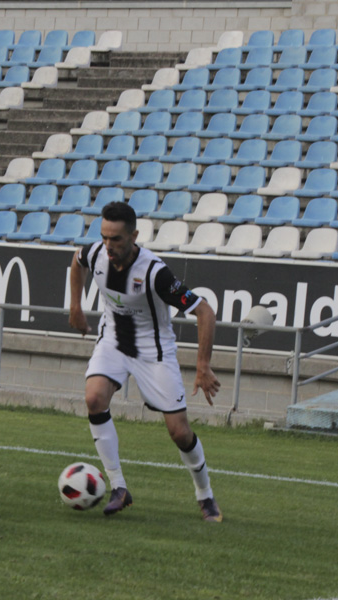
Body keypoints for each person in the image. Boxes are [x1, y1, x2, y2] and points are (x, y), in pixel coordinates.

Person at [68, 201, 223, 522]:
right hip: (113, 340)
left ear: (134, 236)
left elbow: (204, 311)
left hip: (154, 351)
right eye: (105, 237)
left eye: (117, 240)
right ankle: (118, 487)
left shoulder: (155, 273)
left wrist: (203, 366)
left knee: (179, 432)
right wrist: (76, 307)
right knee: (94, 398)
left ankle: (205, 495)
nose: (108, 246)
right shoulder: (96, 253)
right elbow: (76, 261)